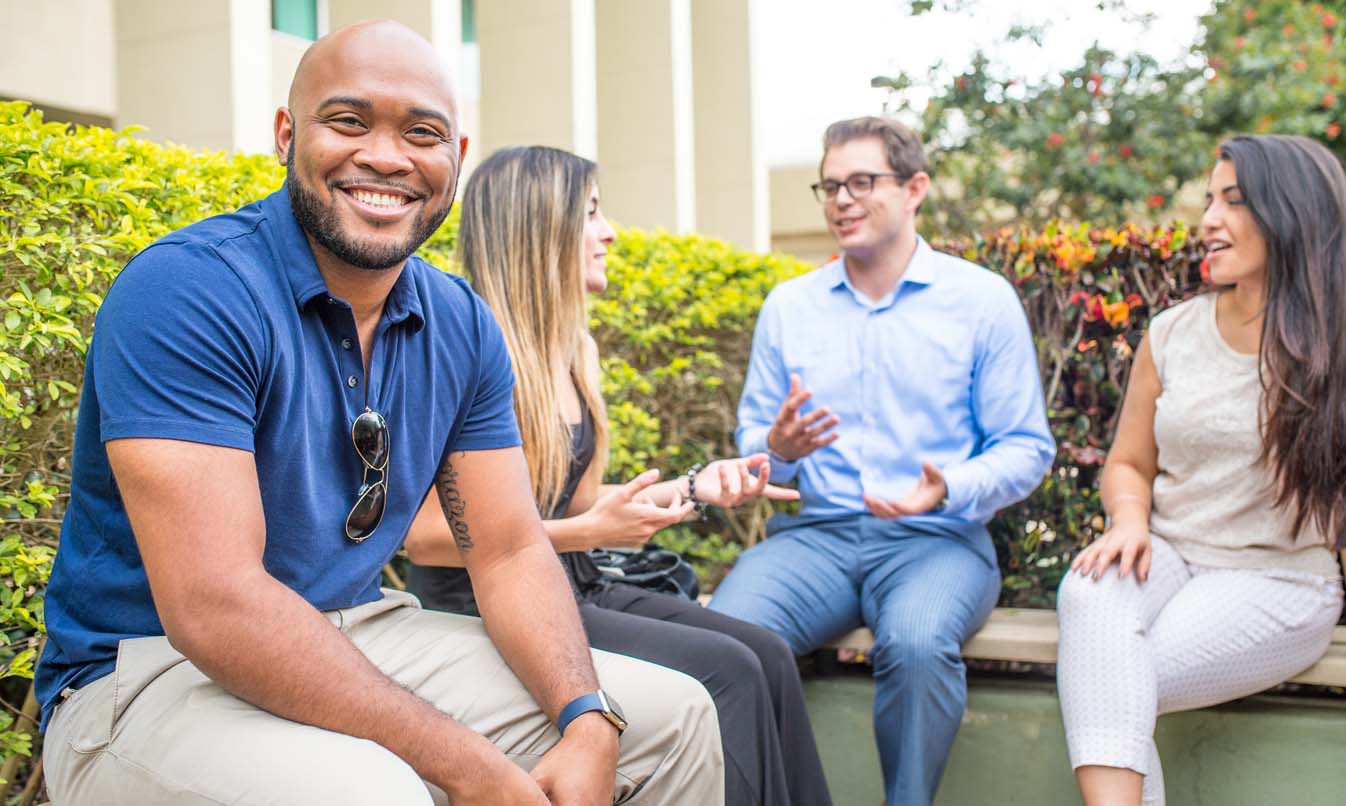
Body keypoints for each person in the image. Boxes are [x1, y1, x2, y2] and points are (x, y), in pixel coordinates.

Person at [34, 21, 724, 806]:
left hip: (358, 630)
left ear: (456, 158)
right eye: (349, 121)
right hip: (146, 675)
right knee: (372, 791)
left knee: (671, 720)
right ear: (286, 137)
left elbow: (505, 549)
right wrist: (471, 768)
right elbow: (216, 604)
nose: (388, 157)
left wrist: (587, 716)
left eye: (421, 133)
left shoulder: (460, 322)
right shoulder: (191, 290)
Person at [403, 144, 833, 806]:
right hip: (485, 606)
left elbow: (574, 502)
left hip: (575, 584)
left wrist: (694, 489)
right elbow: (427, 537)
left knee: (768, 653)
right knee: (732, 674)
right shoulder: (464, 349)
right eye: (592, 213)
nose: (609, 232)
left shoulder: (577, 349)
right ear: (539, 227)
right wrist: (585, 532)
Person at [708, 116, 1056, 806]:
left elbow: (1026, 447)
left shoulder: (981, 302)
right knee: (730, 641)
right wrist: (776, 452)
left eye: (862, 182)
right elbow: (758, 457)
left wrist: (949, 486)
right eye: (830, 185)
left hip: (938, 541)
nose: (841, 199)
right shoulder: (790, 307)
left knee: (919, 644)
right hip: (816, 539)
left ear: (915, 188)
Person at [1056, 134, 1346, 806]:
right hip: (1172, 559)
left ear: (1291, 214)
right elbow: (1128, 462)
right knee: (1088, 595)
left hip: (1278, 580)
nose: (1207, 219)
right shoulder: (1172, 333)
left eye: (1233, 201)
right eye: (1209, 199)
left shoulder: (1335, 347)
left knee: (1113, 683)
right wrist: (1128, 520)